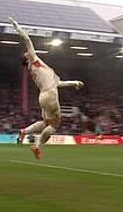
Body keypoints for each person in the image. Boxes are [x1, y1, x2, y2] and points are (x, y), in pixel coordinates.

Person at [9, 17, 84, 160]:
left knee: (45, 123)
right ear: (27, 58)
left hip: (43, 96)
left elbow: (59, 83)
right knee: (55, 124)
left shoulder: (36, 69)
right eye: (26, 54)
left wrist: (74, 82)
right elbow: (27, 39)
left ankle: (24, 131)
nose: (27, 52)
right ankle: (37, 146)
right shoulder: (33, 60)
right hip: (50, 94)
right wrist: (16, 26)